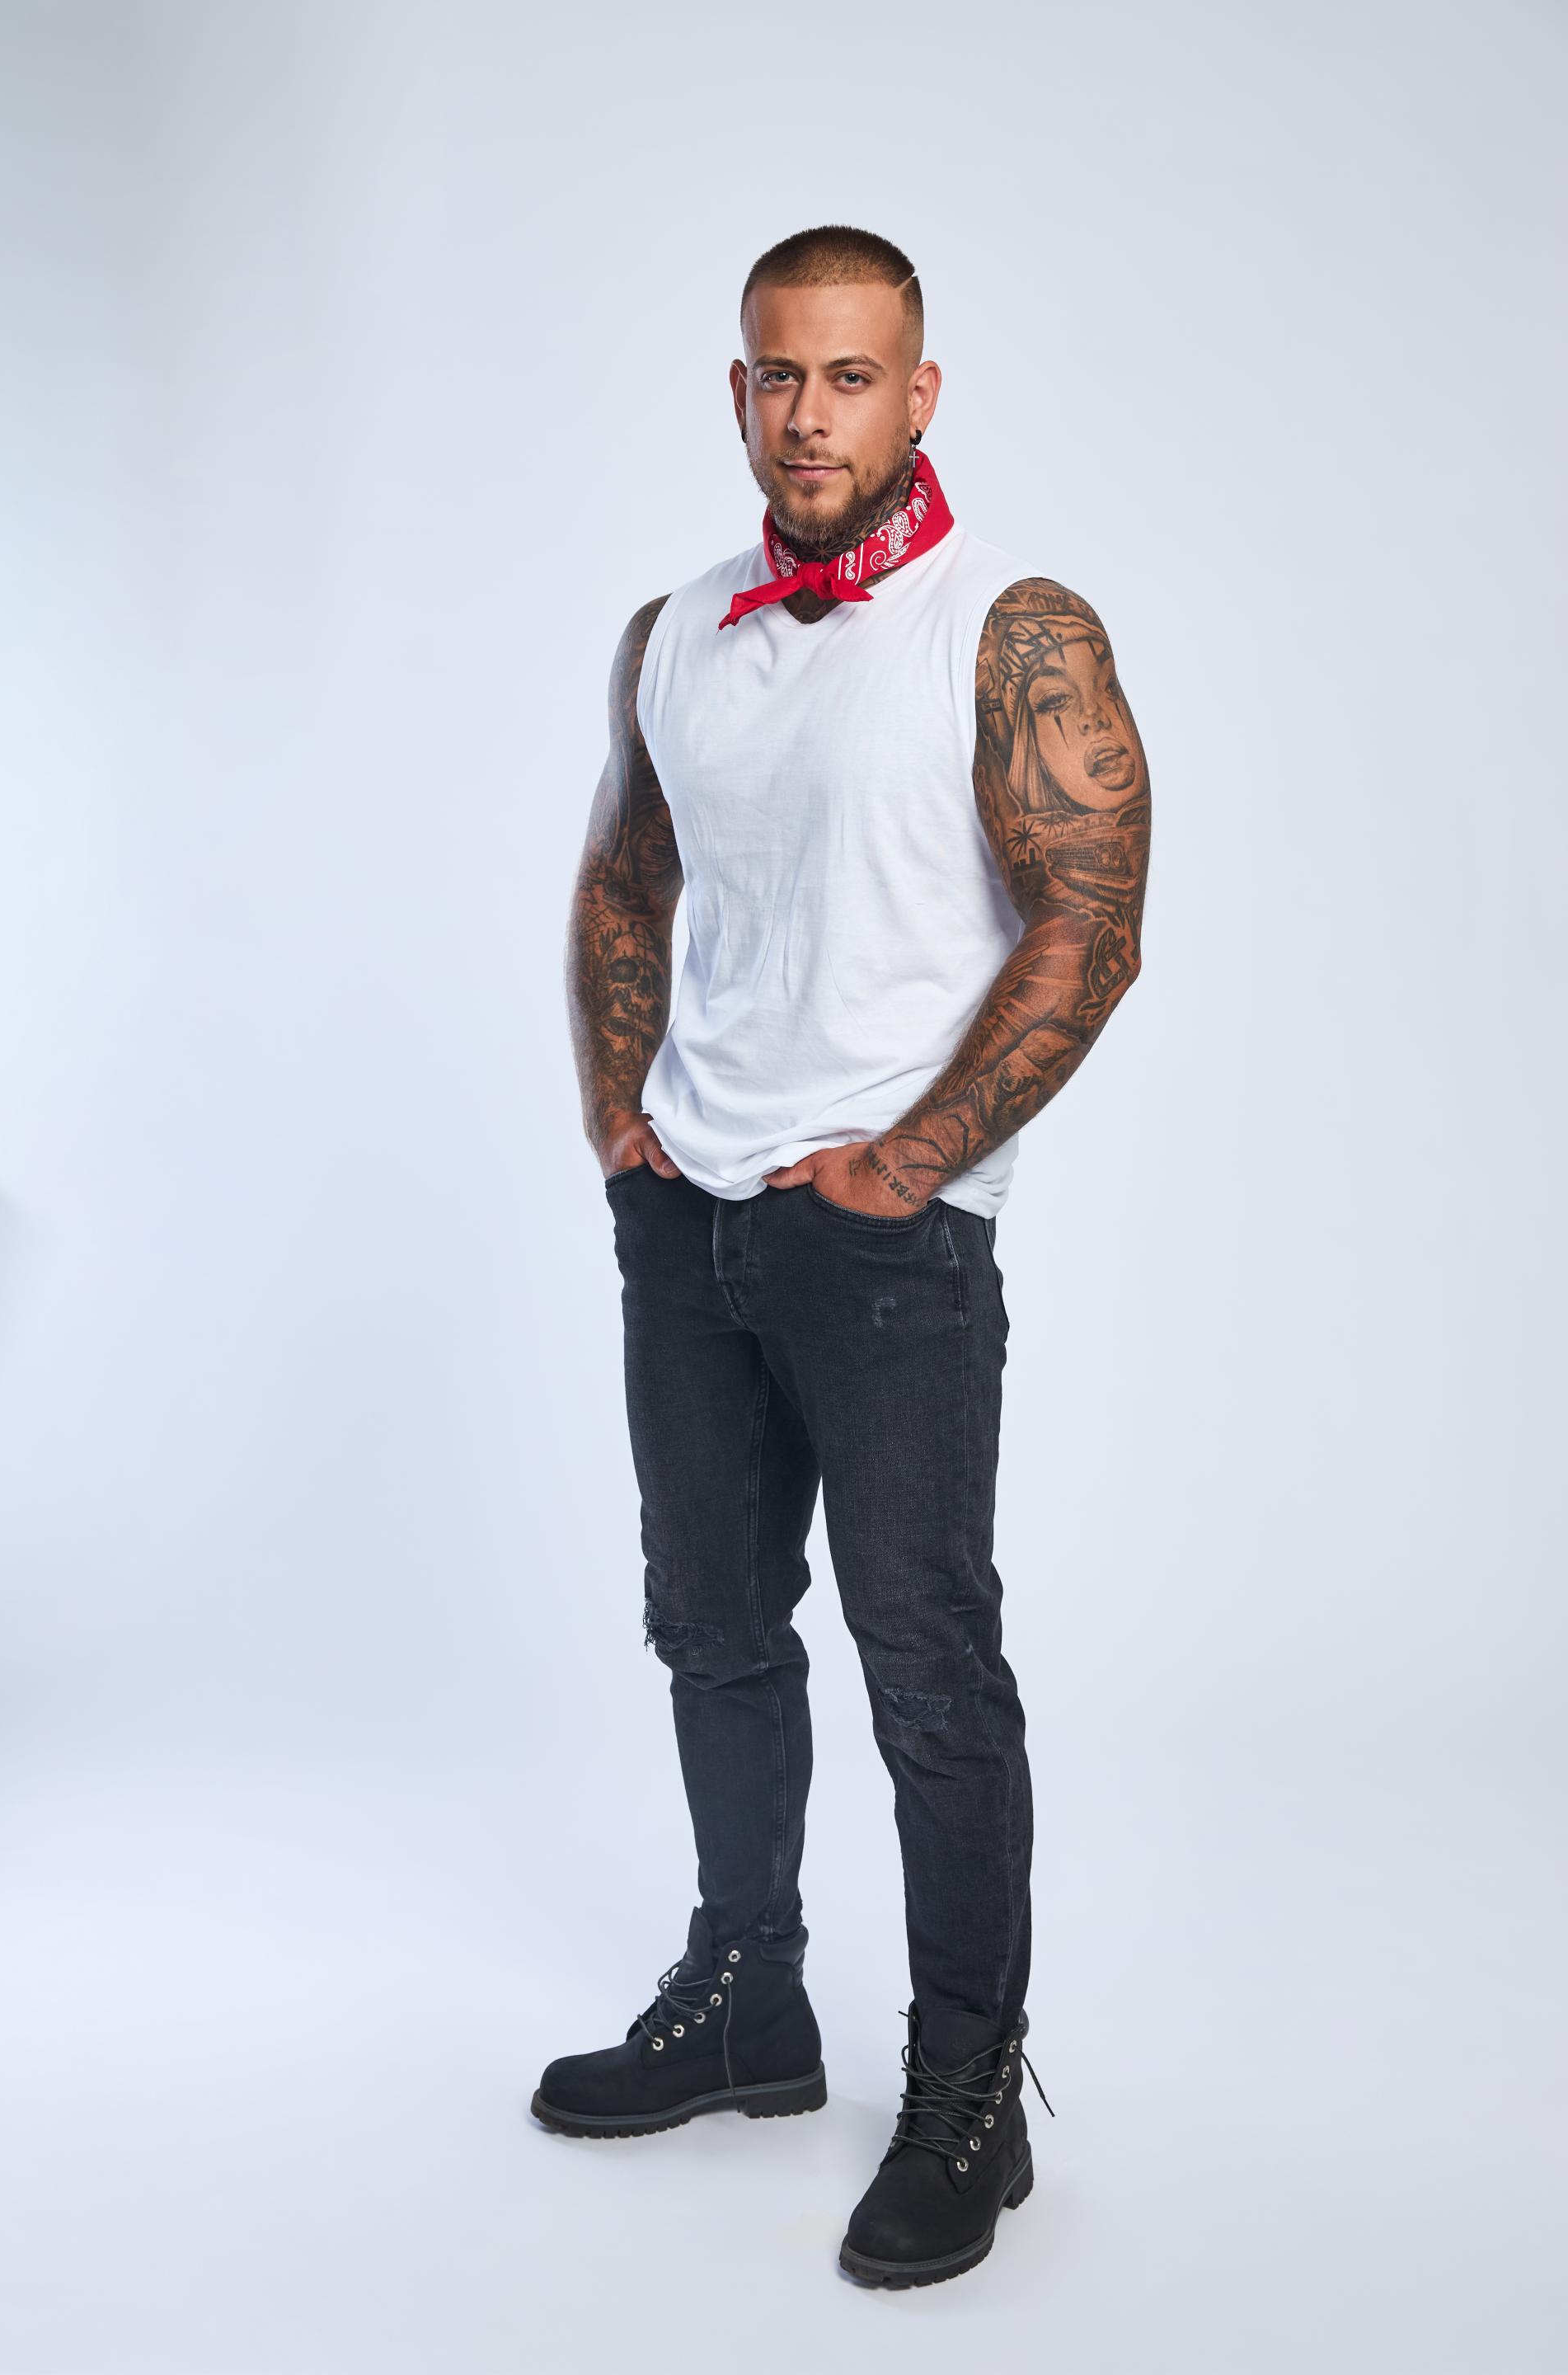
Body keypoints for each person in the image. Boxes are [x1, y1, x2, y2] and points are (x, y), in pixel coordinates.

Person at [535, 223, 1151, 2290]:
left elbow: (1091, 921)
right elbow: (626, 876)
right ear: (740, 392)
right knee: (711, 1628)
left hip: (885, 1253)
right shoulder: (675, 631)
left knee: (929, 1673)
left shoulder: (1010, 625)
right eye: (779, 377)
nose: (812, 417)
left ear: (920, 394)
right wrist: (621, 1124)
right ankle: (749, 2001)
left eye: (852, 377)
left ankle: (969, 2092)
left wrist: (911, 1165)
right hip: (687, 1217)